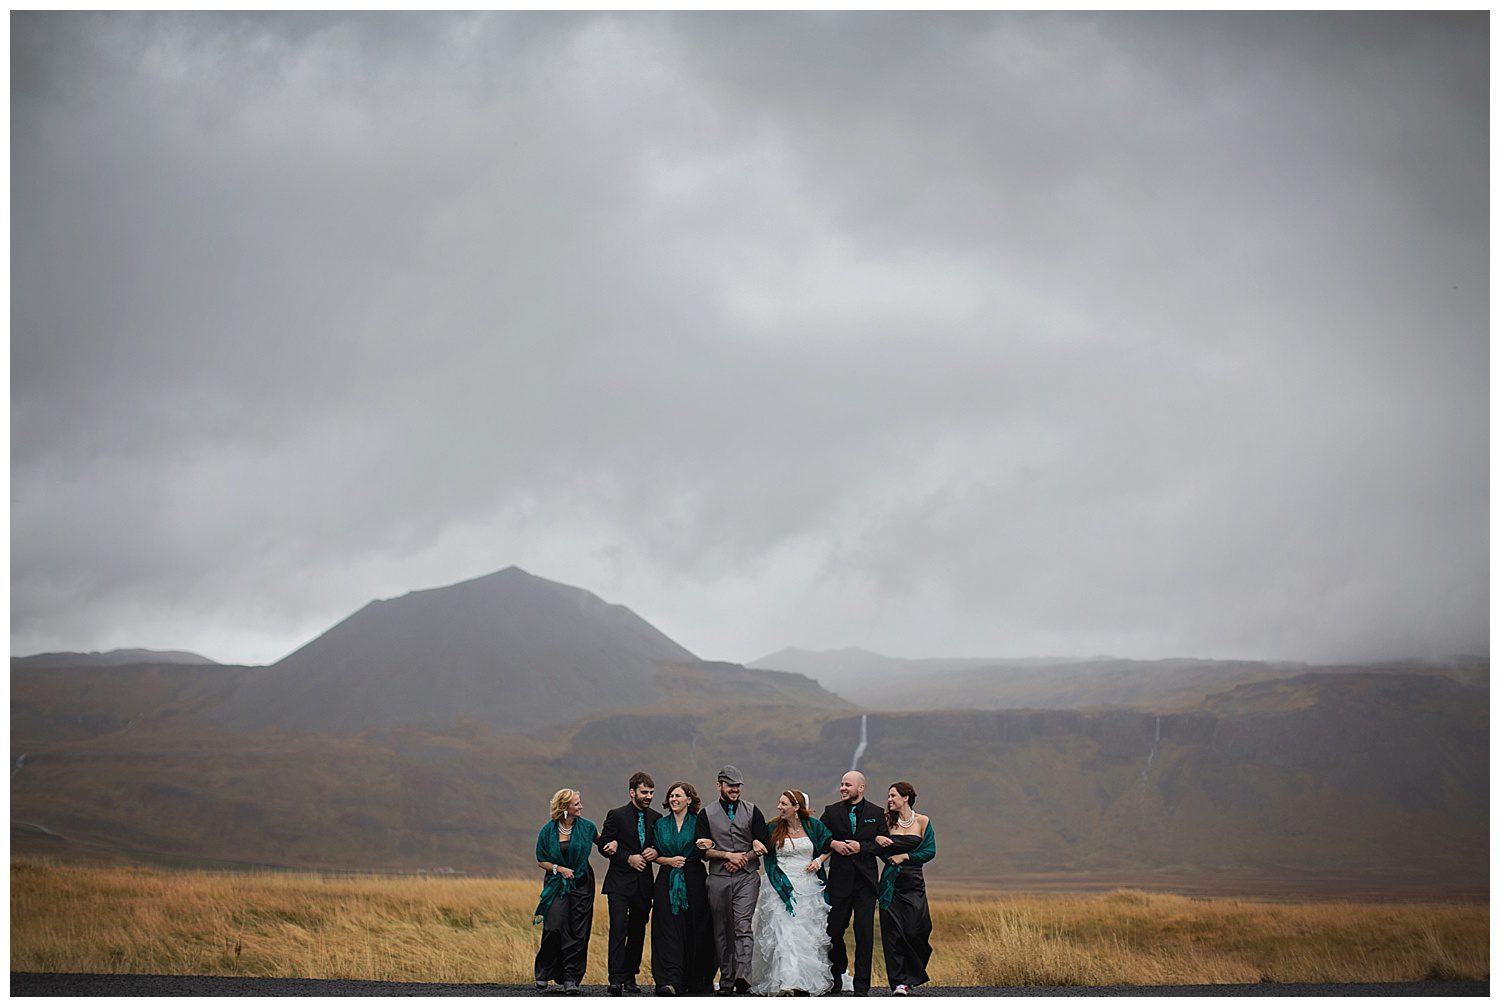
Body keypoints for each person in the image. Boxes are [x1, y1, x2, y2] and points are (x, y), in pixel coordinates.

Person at [748, 789, 835, 996]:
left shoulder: (814, 826)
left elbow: (829, 844)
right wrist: (755, 842)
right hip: (779, 885)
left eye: (784, 804)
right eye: (779, 803)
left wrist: (818, 861)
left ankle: (803, 981)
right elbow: (756, 839)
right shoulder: (772, 828)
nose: (779, 807)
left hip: (808, 887)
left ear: (796, 807)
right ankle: (786, 982)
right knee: (782, 931)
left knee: (804, 934)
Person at [695, 765, 770, 996]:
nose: (735, 790)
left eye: (738, 786)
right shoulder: (706, 814)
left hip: (747, 877)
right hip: (717, 878)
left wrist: (742, 858)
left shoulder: (753, 811)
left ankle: (742, 977)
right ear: (720, 786)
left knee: (742, 925)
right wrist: (726, 855)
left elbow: (763, 843)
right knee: (721, 930)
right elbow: (701, 850)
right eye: (730, 785)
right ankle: (726, 980)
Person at [820, 770, 887, 996]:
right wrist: (833, 843)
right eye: (841, 784)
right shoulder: (831, 811)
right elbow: (818, 837)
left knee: (864, 934)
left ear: (861, 788)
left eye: (847, 785)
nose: (843, 788)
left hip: (865, 884)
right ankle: (837, 973)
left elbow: (881, 845)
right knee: (834, 931)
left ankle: (861, 987)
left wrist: (863, 847)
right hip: (839, 882)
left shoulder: (877, 813)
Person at [597, 771, 662, 996]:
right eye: (644, 792)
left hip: (644, 885)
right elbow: (604, 844)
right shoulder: (616, 815)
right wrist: (627, 857)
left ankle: (630, 976)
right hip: (619, 884)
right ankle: (615, 979)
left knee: (637, 931)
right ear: (632, 792)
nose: (649, 796)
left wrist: (656, 851)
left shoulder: (657, 818)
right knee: (618, 929)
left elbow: (661, 845)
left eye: (651, 792)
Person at [648, 781, 715, 995]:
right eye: (671, 796)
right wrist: (667, 861)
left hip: (694, 876)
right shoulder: (660, 824)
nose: (674, 799)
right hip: (667, 878)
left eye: (678, 796)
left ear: (689, 799)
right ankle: (669, 981)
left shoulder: (699, 822)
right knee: (667, 929)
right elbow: (653, 853)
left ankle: (696, 980)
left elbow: (711, 844)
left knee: (696, 927)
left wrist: (711, 845)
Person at [533, 788, 598, 995]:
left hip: (582, 884)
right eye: (577, 803)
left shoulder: (587, 827)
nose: (581, 806)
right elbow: (540, 860)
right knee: (553, 926)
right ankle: (544, 971)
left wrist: (614, 844)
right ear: (565, 807)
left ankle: (571, 978)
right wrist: (559, 869)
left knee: (577, 932)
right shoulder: (548, 830)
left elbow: (603, 843)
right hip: (556, 885)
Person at [874, 782, 936, 996]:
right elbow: (879, 851)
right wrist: (880, 842)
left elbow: (930, 851)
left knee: (917, 930)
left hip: (914, 882)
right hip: (891, 883)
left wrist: (906, 856)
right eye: (888, 796)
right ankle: (899, 982)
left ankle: (913, 975)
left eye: (893, 795)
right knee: (893, 934)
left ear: (906, 797)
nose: (889, 799)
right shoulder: (886, 822)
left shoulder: (922, 821)